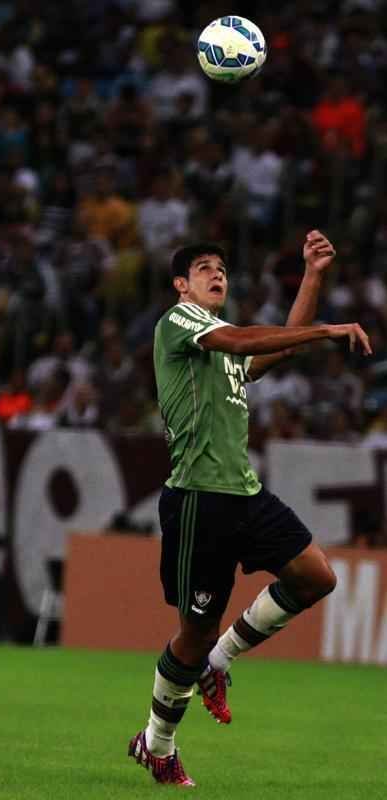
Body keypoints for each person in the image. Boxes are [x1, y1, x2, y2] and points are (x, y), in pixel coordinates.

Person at [128, 231, 372, 787]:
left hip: (243, 493)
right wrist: (329, 328)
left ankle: (223, 658)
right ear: (181, 284)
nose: (218, 274)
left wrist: (312, 276)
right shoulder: (181, 323)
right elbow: (241, 341)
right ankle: (156, 742)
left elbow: (277, 346)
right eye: (205, 267)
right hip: (197, 499)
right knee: (193, 631)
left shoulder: (223, 349)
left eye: (222, 267)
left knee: (316, 576)